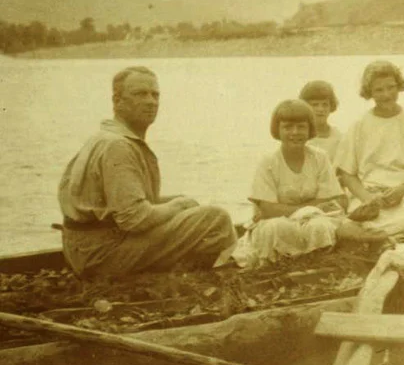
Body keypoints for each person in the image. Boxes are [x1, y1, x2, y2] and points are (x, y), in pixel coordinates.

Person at [57, 66, 236, 277]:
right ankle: (207, 275)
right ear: (117, 101)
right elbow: (134, 218)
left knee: (187, 206)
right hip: (102, 255)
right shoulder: (118, 146)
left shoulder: (106, 137)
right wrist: (177, 206)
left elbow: (122, 205)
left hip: (86, 249)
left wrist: (177, 203)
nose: (151, 101)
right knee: (216, 218)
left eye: (155, 95)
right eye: (140, 94)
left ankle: (184, 270)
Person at [230, 100, 383, 269]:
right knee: (276, 227)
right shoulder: (268, 162)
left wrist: (290, 208)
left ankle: (317, 266)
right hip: (279, 221)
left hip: (314, 221)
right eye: (288, 127)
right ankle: (278, 268)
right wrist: (313, 207)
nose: (295, 132)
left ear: (310, 129)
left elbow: (336, 201)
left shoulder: (320, 158)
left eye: (301, 127)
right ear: (277, 130)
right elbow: (267, 209)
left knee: (320, 226)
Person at [335, 60, 404, 237]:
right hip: (371, 193)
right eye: (379, 90)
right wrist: (367, 197)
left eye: (391, 87)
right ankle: (383, 239)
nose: (387, 94)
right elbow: (347, 174)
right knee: (350, 225)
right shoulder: (359, 125)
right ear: (369, 93)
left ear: (399, 86)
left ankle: (390, 238)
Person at [299, 80, 343, 169]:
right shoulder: (299, 135)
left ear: (331, 106)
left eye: (325, 104)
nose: (321, 109)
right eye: (315, 105)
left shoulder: (339, 137)